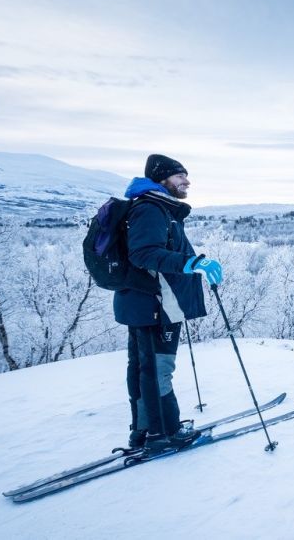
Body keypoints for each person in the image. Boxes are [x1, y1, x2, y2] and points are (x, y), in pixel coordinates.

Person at [115, 154, 223, 453]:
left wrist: (189, 262)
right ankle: (165, 433)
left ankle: (144, 430)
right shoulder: (151, 209)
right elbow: (144, 253)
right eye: (180, 176)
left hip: (143, 302)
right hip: (156, 304)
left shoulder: (153, 207)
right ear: (162, 179)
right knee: (158, 368)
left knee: (142, 368)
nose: (186, 181)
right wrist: (191, 263)